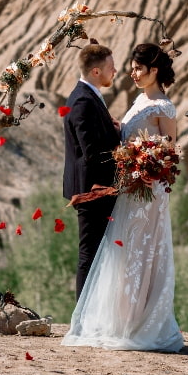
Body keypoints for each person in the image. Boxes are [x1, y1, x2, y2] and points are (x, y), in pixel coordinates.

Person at [62, 42, 184, 352]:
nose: (131, 72)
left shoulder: (164, 107)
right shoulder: (138, 100)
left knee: (142, 254)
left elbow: (169, 151)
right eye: (129, 66)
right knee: (122, 256)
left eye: (138, 68)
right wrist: (121, 136)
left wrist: (146, 161)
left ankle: (140, 323)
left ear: (153, 71)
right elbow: (125, 137)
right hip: (128, 189)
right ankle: (120, 320)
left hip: (147, 192)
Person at [63, 41, 121, 300]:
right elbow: (91, 153)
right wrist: (124, 155)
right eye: (111, 67)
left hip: (97, 189)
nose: (115, 71)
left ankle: (89, 315)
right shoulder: (83, 101)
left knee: (97, 254)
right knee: (89, 255)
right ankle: (82, 320)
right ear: (96, 71)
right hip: (92, 190)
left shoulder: (88, 97)